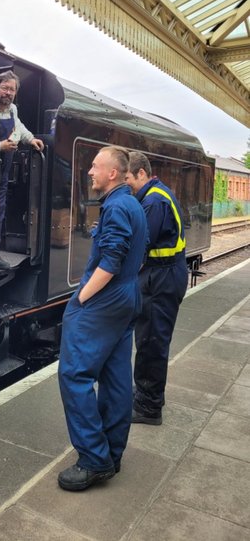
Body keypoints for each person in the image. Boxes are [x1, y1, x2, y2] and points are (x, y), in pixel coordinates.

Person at [58, 146, 148, 491]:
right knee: (116, 375)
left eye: (96, 166)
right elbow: (139, 253)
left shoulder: (116, 207)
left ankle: (94, 460)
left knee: (74, 374)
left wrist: (81, 299)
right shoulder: (133, 204)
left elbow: (111, 260)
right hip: (127, 297)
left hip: (105, 300)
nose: (90, 172)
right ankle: (112, 453)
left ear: (113, 173)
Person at [126, 151, 188, 425]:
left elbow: (140, 244)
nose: (126, 183)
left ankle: (149, 407)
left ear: (141, 173)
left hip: (160, 279)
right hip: (162, 277)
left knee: (151, 342)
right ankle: (149, 394)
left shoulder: (153, 201)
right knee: (151, 339)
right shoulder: (157, 194)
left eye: (127, 177)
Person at [0, 71, 44, 269]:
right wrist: (0, 146)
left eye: (12, 89)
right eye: (4, 88)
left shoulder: (13, 110)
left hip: (3, 169)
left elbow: (19, 128)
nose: (8, 92)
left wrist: (31, 139)